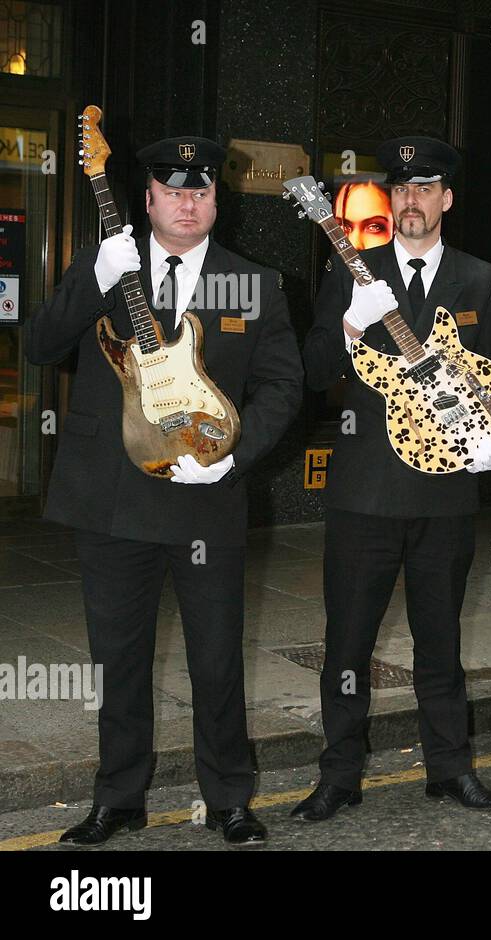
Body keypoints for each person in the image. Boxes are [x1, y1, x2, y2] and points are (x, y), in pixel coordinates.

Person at [25, 136, 303, 845]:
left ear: (217, 202)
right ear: (146, 199)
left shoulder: (256, 283)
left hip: (207, 496)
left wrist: (232, 458)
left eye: (201, 191)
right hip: (112, 496)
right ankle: (117, 797)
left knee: (216, 658)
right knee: (118, 659)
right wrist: (95, 280)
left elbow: (282, 385)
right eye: (173, 190)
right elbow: (39, 346)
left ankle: (229, 797)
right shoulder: (106, 266)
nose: (187, 202)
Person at [295, 136, 491, 820]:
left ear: (446, 198)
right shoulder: (352, 268)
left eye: (426, 189)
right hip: (365, 492)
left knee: (441, 641)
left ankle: (450, 768)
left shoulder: (483, 280)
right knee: (349, 645)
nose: (411, 201)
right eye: (402, 190)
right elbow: (310, 369)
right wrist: (347, 324)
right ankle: (338, 775)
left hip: (447, 493)